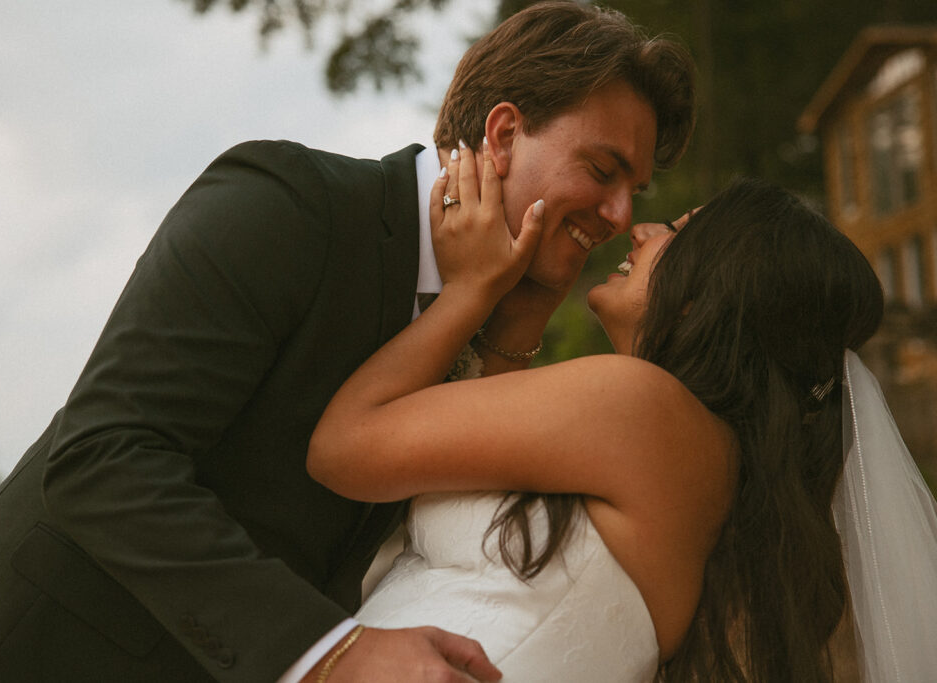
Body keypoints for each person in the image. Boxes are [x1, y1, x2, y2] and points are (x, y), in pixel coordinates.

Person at [0, 2, 696, 681]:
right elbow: (101, 458)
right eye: (602, 169)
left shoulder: (491, 316)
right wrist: (329, 652)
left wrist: (512, 312)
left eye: (636, 190)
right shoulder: (289, 204)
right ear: (503, 133)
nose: (620, 214)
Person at [308, 146, 937, 681]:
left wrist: (470, 291)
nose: (641, 229)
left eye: (678, 234)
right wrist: (529, 294)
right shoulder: (706, 463)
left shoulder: (644, 410)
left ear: (716, 293)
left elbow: (342, 448)